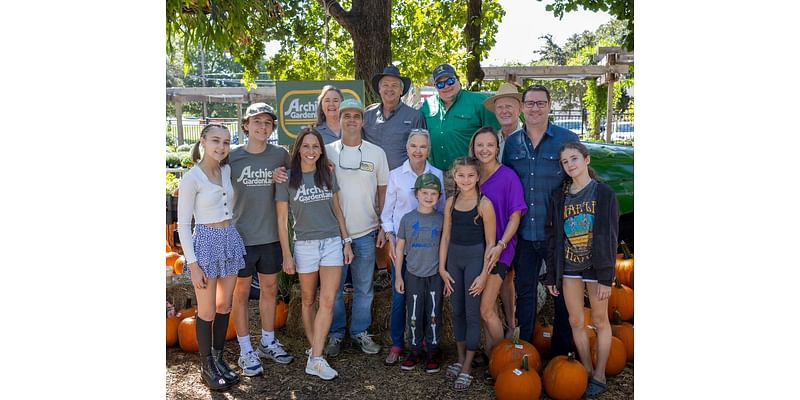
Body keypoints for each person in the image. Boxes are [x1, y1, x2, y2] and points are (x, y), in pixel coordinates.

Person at [502, 84, 579, 354]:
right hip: (524, 232)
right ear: (522, 108)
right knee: (525, 294)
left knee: (561, 296)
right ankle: (526, 353)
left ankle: (561, 356)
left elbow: (580, 181)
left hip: (557, 234)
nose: (535, 108)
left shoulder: (566, 139)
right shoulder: (512, 144)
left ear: (549, 106)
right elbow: (507, 186)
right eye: (530, 103)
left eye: (540, 103)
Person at [275, 127, 354, 380]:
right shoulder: (286, 178)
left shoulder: (327, 174)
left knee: (329, 300)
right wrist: (286, 255)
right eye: (306, 146)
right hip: (305, 245)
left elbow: (338, 211)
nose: (311, 151)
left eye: (316, 147)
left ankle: (317, 357)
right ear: (298, 149)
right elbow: (281, 219)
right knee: (308, 300)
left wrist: (346, 241)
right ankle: (315, 351)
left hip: (332, 242)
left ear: (321, 150)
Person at [544, 141, 619, 397]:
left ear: (586, 159)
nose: (570, 165)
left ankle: (600, 374)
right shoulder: (560, 196)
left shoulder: (603, 193)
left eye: (574, 159)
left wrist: (607, 276)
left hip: (595, 268)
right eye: (565, 162)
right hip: (569, 268)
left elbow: (610, 236)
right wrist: (553, 273)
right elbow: (553, 236)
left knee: (599, 320)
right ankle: (586, 369)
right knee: (576, 320)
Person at [177, 124, 245, 391]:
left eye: (226, 142)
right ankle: (206, 367)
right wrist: (193, 265)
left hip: (229, 238)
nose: (221, 146)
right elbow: (182, 224)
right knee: (206, 310)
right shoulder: (192, 178)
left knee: (224, 305)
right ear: (203, 141)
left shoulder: (226, 170)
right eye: (216, 140)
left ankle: (219, 359)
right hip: (206, 242)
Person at [228, 103, 294, 378]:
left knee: (269, 291)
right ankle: (245, 349)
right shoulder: (232, 158)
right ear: (245, 125)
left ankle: (267, 341)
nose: (262, 127)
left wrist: (286, 175)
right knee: (240, 294)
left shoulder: (280, 155)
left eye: (267, 123)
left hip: (270, 236)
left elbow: (297, 178)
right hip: (240, 236)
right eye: (257, 122)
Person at [325, 99, 390, 357]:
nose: (351, 120)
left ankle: (360, 332)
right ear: (339, 120)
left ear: (362, 121)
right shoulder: (327, 151)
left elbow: (383, 192)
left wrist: (384, 225)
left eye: (356, 116)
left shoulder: (377, 153)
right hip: (333, 235)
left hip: (366, 233)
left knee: (364, 287)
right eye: (346, 116)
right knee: (335, 289)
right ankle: (335, 334)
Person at [380, 129, 446, 366]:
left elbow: (441, 212)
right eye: (414, 146)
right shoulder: (397, 175)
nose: (418, 151)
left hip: (428, 249)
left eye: (423, 147)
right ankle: (398, 343)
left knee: (429, 301)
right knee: (400, 298)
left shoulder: (436, 174)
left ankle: (427, 344)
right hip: (402, 246)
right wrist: (391, 239)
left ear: (429, 149)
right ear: (407, 148)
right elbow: (387, 214)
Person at [439, 156, 496, 391]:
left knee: (473, 313)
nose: (465, 180)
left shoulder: (484, 204)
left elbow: (491, 243)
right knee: (458, 310)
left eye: (470, 175)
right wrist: (442, 268)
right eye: (461, 175)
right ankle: (460, 357)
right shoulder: (450, 203)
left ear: (478, 177)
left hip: (474, 262)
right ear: (454, 176)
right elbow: (445, 237)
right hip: (453, 261)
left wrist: (484, 275)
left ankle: (468, 365)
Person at [468, 127, 527, 347]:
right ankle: (492, 354)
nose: (485, 149)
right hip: (476, 247)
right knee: (484, 308)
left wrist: (502, 245)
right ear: (473, 147)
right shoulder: (470, 176)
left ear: (497, 148)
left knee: (485, 309)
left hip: (500, 249)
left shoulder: (508, 176)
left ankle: (504, 357)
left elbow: (515, 216)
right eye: (480, 145)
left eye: (490, 145)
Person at [393, 173, 445, 373]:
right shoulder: (408, 219)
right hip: (413, 273)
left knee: (433, 313)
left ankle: (433, 350)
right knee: (413, 313)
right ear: (416, 194)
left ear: (439, 197)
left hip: (434, 275)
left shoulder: (441, 220)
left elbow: (446, 247)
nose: (429, 197)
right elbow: (399, 249)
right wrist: (398, 275)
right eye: (425, 192)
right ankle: (415, 349)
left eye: (433, 193)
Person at [420, 63, 500, 172]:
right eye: (440, 84)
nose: (446, 86)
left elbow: (497, 136)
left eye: (450, 81)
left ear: (458, 80)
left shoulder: (480, 102)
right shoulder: (426, 107)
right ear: (435, 87)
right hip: (436, 175)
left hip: (469, 176)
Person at [363, 65, 427, 171]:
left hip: (402, 179)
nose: (389, 89)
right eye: (385, 85)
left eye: (394, 85)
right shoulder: (367, 115)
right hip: (372, 178)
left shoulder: (415, 117)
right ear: (379, 89)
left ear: (401, 90)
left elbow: (422, 150)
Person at [483, 82, 524, 163]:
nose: (504, 111)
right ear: (495, 111)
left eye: (509, 106)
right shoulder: (491, 140)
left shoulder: (530, 141)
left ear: (520, 109)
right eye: (500, 107)